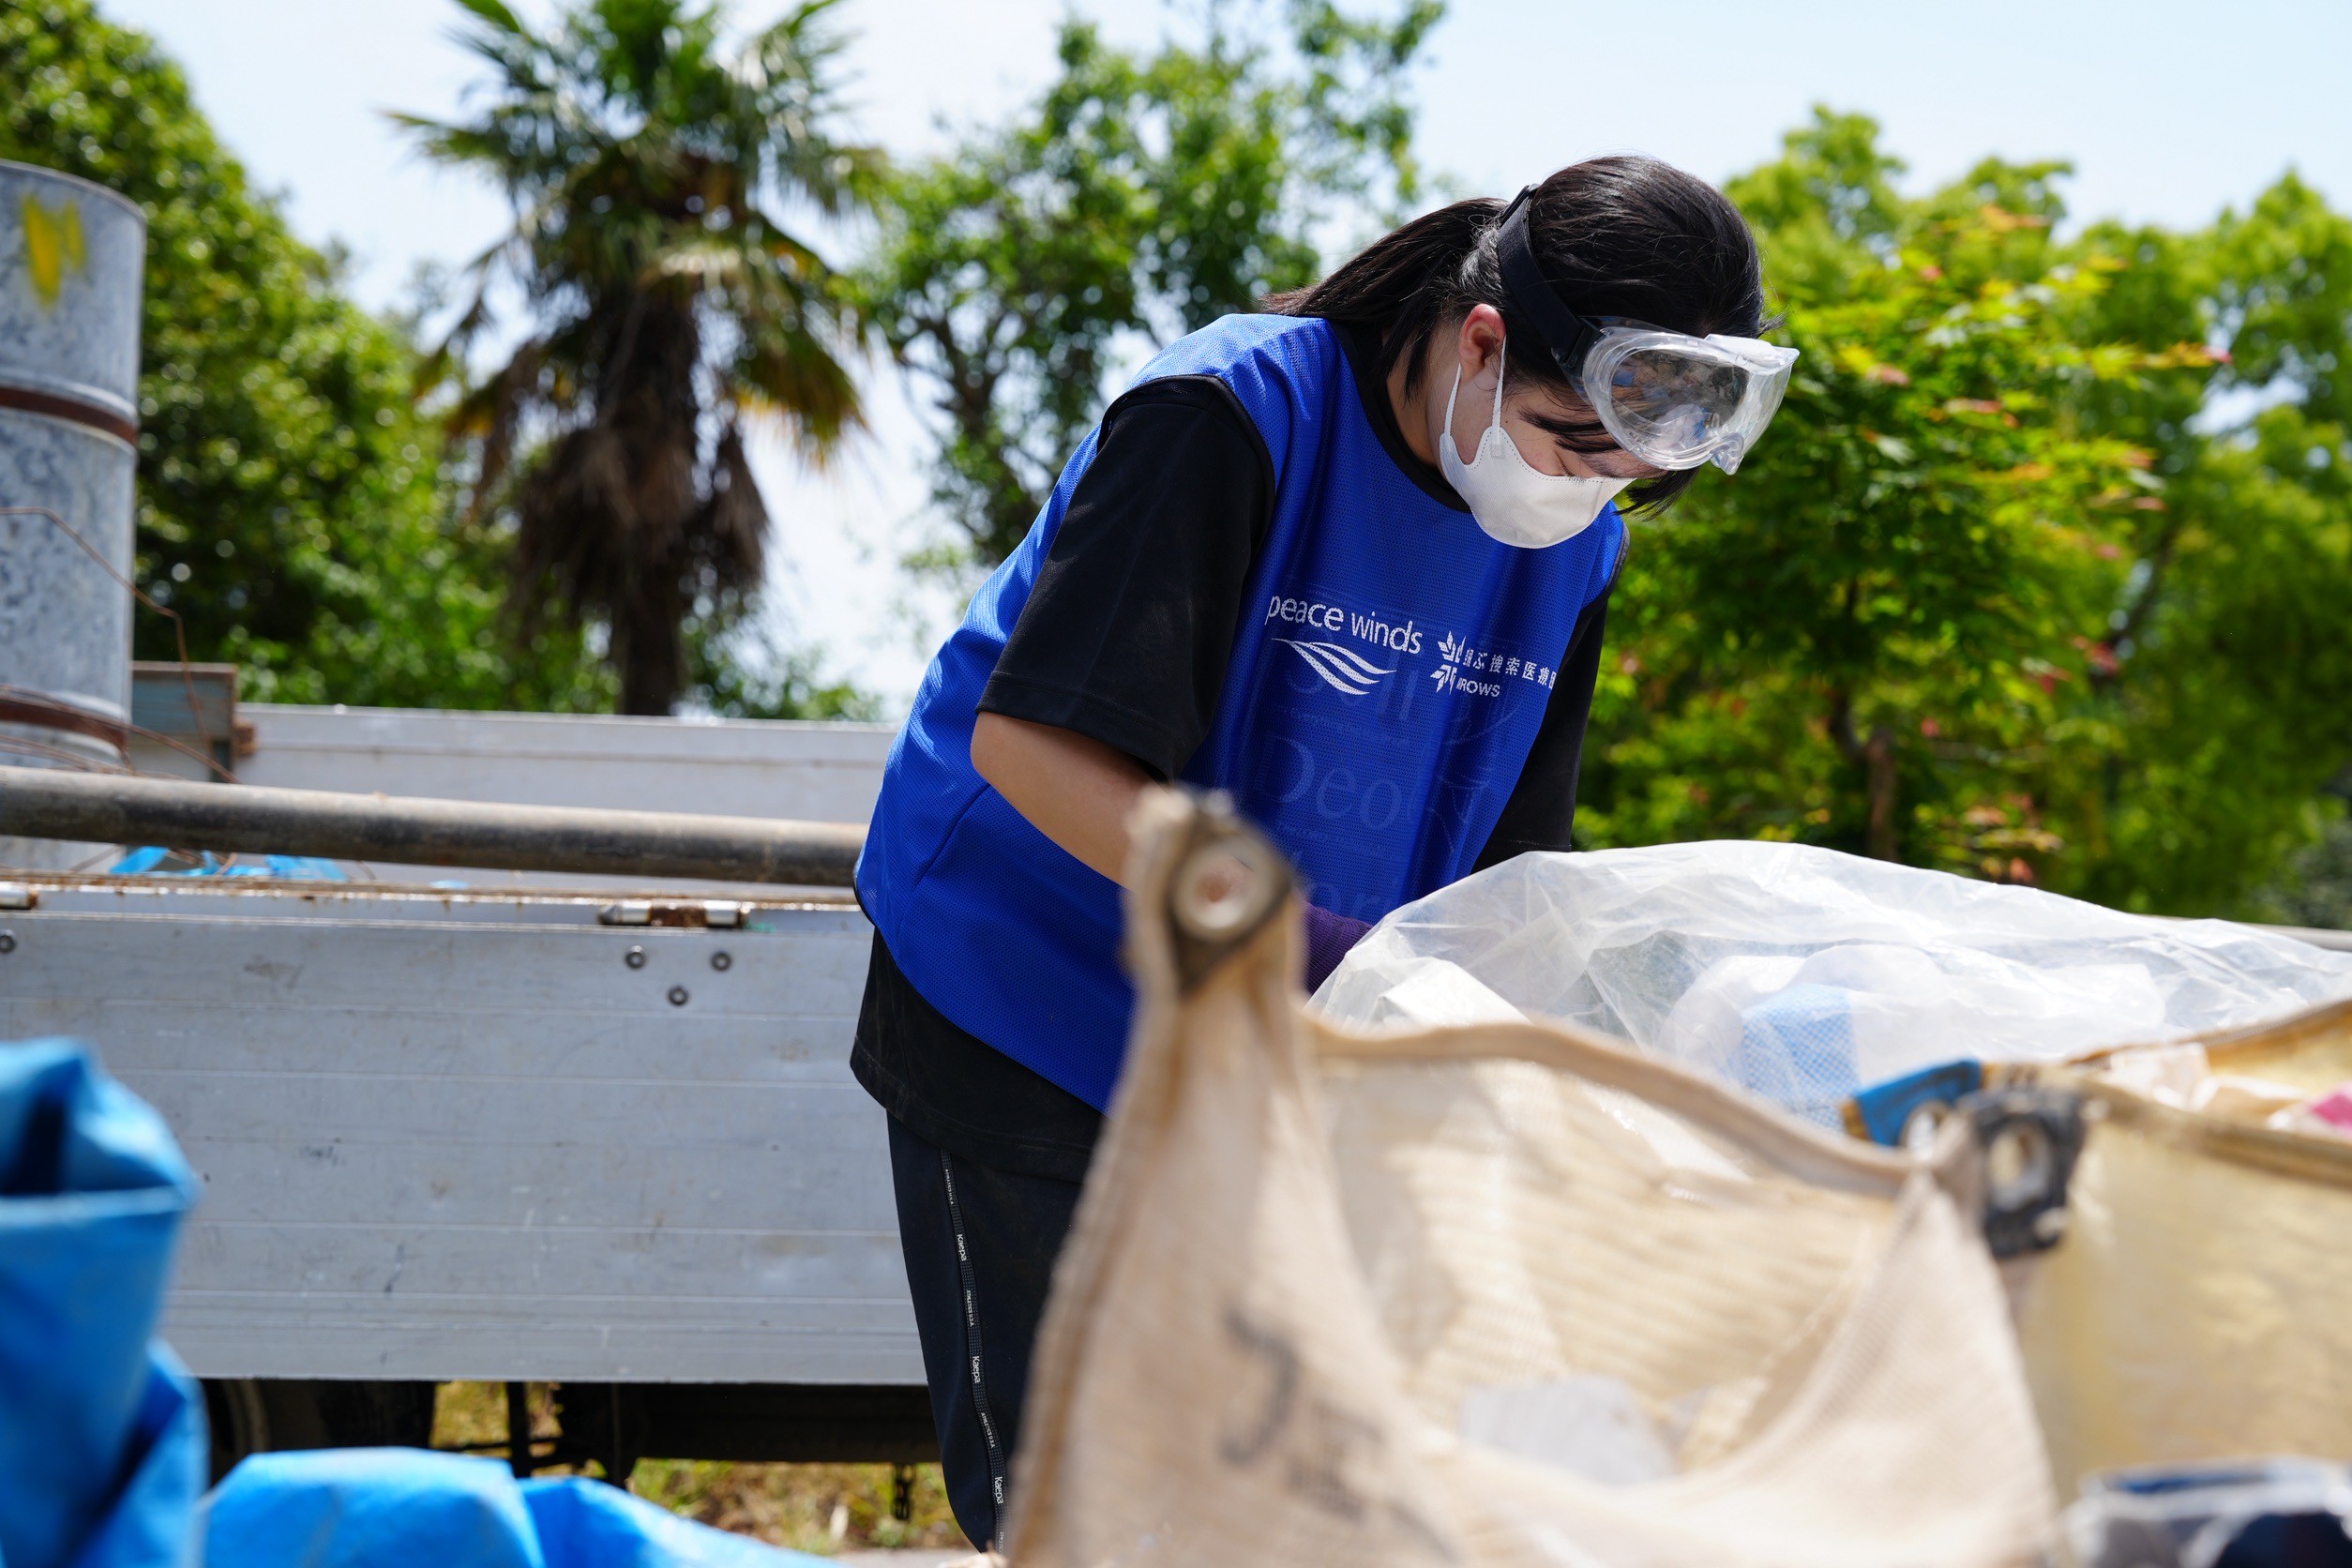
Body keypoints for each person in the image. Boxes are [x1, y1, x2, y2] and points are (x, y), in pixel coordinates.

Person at [849, 156, 1792, 1547]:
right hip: (1031, 999)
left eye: (1634, 478)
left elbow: (1511, 884)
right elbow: (1032, 751)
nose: (1589, 493)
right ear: (1481, 345)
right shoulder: (1234, 411)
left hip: (1288, 1053)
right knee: (1083, 1508)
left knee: (1281, 1503)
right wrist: (1291, 933)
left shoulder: (1574, 543)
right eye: (1570, 442)